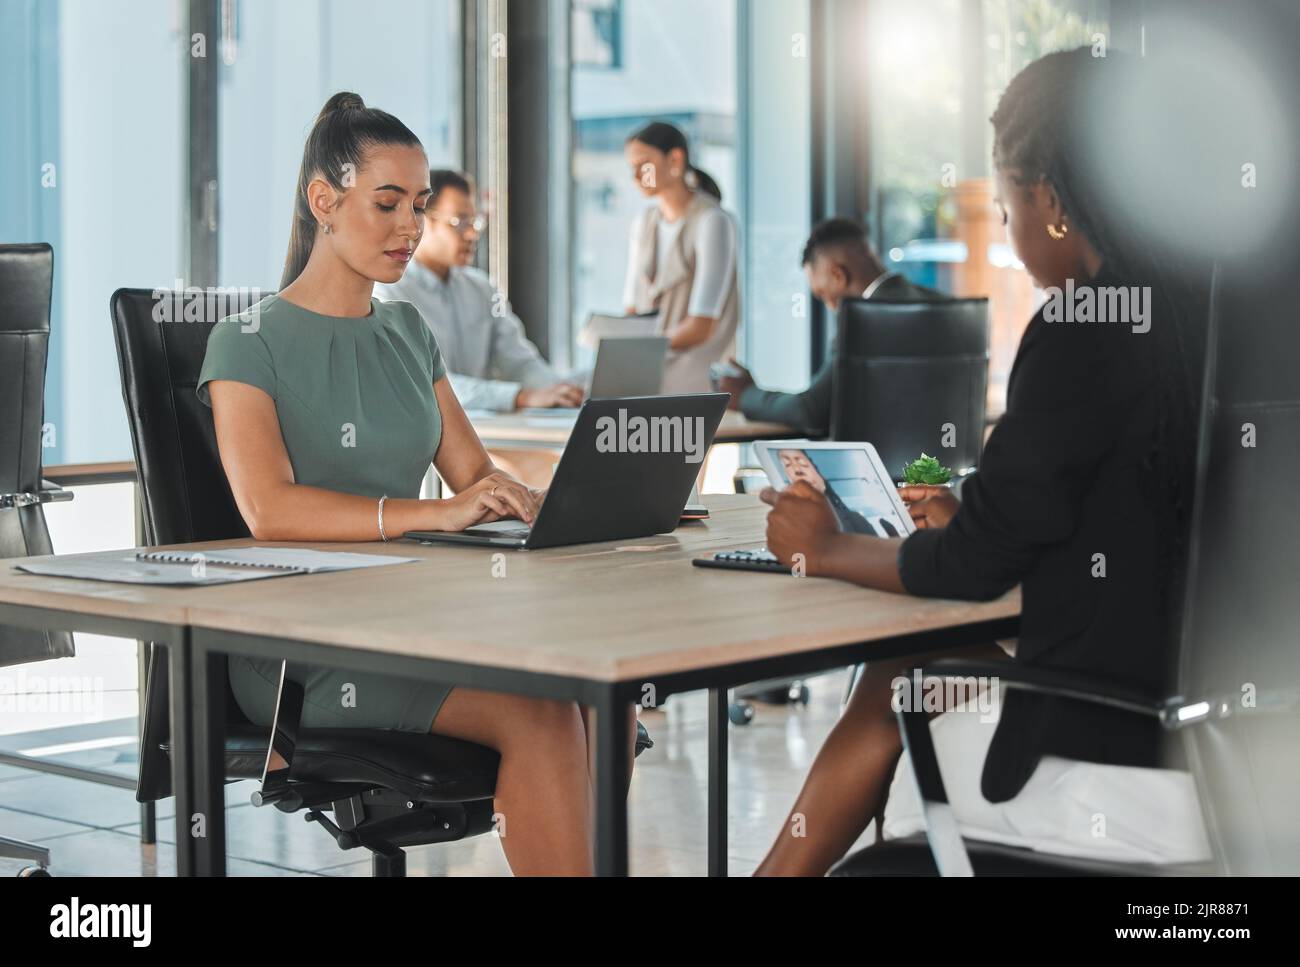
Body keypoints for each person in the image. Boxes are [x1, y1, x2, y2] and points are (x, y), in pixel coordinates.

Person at [753, 49, 1210, 875]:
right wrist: (987, 517)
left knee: (895, 716)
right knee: (909, 667)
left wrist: (821, 548)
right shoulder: (1207, 317)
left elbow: (968, 570)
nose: (1008, 230)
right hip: (1226, 773)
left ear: (1049, 200)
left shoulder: (1083, 328)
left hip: (1109, 781)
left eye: (1005, 208)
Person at [198, 93, 636, 876]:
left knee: (608, 688)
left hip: (412, 619)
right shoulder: (247, 340)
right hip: (304, 648)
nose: (412, 227)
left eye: (420, 206)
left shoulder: (406, 331)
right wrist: (434, 511)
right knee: (540, 715)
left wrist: (535, 501)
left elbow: (473, 473)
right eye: (388, 203)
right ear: (323, 202)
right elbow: (269, 510)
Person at [375, 169, 581, 412]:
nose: (472, 234)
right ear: (422, 220)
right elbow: (427, 383)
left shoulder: (481, 288)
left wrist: (561, 390)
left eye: (475, 222)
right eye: (459, 222)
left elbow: (519, 362)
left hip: (482, 430)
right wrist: (520, 397)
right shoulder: (389, 292)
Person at [719, 218, 941, 434]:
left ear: (838, 276)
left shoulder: (864, 322)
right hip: (944, 461)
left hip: (883, 466)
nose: (830, 306)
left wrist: (746, 395)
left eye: (822, 294)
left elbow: (812, 410)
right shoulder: (941, 303)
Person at [622, 121, 739, 394]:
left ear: (675, 159)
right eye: (632, 168)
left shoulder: (713, 221)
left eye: (644, 165)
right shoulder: (645, 223)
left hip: (696, 371)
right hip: (651, 362)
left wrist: (638, 351)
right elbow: (632, 310)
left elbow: (702, 326)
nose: (636, 176)